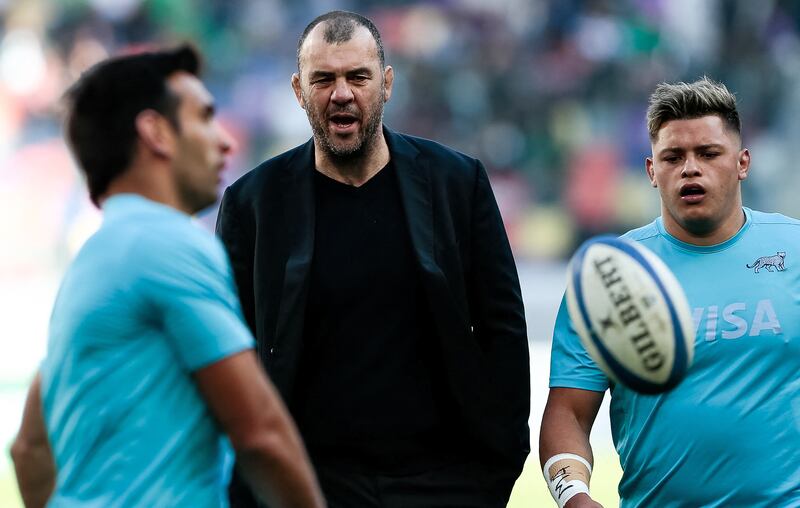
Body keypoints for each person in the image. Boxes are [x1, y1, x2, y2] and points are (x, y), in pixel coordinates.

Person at [216, 10, 530, 508]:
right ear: (299, 91)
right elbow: (231, 357)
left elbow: (504, 331)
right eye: (324, 79)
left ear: (385, 84)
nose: (342, 93)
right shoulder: (254, 204)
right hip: (310, 486)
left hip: (442, 484)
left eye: (357, 77)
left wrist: (495, 470)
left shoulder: (457, 184)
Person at [10, 45, 325, 508]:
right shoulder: (169, 245)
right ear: (156, 132)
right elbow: (262, 436)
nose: (224, 141)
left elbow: (29, 448)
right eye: (203, 117)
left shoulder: (92, 261)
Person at [540, 77, 800, 507]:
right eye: (673, 157)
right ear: (651, 171)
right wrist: (574, 496)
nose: (690, 168)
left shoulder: (793, 249)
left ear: (743, 162)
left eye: (709, 153)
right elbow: (568, 411)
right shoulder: (608, 278)